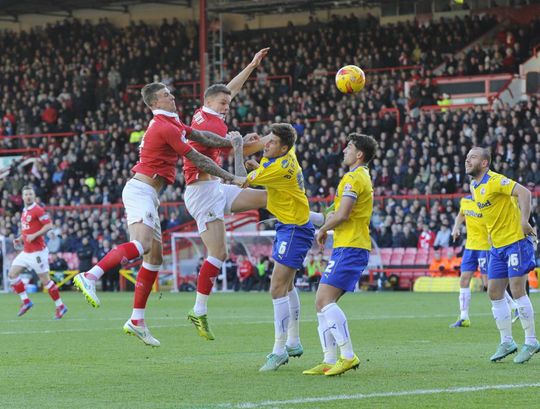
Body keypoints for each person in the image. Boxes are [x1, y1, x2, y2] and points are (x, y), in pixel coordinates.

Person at [72, 82, 246, 347]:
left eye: (170, 93)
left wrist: (230, 142)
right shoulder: (164, 127)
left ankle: (136, 320)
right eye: (166, 95)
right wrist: (230, 176)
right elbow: (198, 157)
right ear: (154, 103)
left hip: (150, 194)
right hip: (140, 190)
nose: (172, 97)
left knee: (154, 259)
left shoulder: (173, 123)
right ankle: (90, 275)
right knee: (141, 245)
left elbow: (201, 136)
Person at [184, 48, 325, 340]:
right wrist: (263, 142)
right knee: (219, 253)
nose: (227, 106)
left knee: (268, 197)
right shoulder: (209, 123)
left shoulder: (205, 111)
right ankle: (198, 310)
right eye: (223, 103)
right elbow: (234, 150)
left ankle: (317, 218)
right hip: (203, 192)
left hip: (215, 187)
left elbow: (229, 89)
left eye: (227, 103)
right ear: (210, 101)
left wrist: (250, 66)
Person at [239, 123, 315, 372]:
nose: (266, 144)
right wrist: (258, 165)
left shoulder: (281, 166)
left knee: (276, 288)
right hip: (290, 224)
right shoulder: (287, 154)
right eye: (267, 139)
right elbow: (265, 171)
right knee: (288, 285)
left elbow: (241, 181)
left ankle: (279, 350)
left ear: (283, 147)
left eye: (271, 142)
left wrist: (238, 149)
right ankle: (293, 342)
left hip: (294, 228)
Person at [303, 133, 378, 377]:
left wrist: (323, 229)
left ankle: (348, 356)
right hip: (348, 245)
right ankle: (329, 359)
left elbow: (343, 214)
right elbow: (335, 213)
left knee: (325, 300)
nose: (344, 150)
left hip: (352, 246)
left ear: (359, 154)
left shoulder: (353, 178)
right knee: (320, 302)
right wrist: (319, 221)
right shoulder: (359, 177)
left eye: (349, 147)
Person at [466, 147, 538, 363]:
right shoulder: (473, 186)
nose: (468, 160)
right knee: (494, 292)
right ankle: (507, 341)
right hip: (497, 246)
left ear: (485, 163)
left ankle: (531, 341)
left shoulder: (495, 180)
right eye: (467, 157)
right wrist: (489, 234)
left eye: (473, 157)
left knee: (517, 290)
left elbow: (524, 192)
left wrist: (524, 221)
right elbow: (491, 213)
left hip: (515, 241)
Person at [449, 195, 517, 327]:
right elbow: (461, 214)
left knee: (488, 283)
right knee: (463, 280)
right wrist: (455, 228)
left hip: (484, 247)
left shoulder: (486, 203)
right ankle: (464, 317)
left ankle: (513, 306)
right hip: (470, 247)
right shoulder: (465, 201)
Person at [8, 186, 67, 319]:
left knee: (45, 281)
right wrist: (20, 239)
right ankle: (26, 302)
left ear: (34, 196)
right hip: (26, 252)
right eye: (26, 194)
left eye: (30, 194)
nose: (28, 196)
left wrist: (35, 235)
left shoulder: (38, 209)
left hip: (38, 253)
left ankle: (60, 306)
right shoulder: (24, 210)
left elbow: (49, 225)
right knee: (12, 274)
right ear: (22, 197)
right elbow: (27, 231)